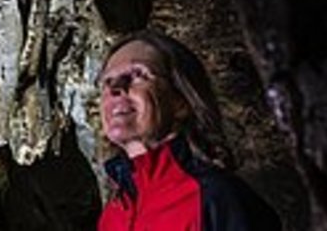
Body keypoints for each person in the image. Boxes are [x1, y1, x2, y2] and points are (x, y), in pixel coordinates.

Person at [97, 29, 282, 230]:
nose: (115, 88)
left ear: (181, 101)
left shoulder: (218, 198)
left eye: (138, 74)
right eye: (107, 82)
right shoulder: (112, 215)